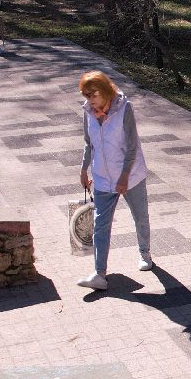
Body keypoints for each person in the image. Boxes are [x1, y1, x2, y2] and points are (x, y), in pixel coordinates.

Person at [77, 71, 153, 290]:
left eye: (93, 94)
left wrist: (124, 177)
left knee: (140, 216)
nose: (89, 99)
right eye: (86, 95)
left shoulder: (124, 109)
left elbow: (131, 147)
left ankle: (145, 253)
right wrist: (84, 169)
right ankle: (99, 274)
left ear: (106, 90)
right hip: (102, 177)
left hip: (131, 175)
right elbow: (88, 143)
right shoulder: (88, 111)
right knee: (101, 225)